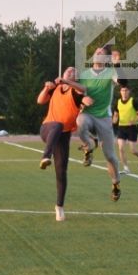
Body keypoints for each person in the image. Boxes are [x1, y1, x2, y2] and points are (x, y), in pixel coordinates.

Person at [36, 67, 91, 221]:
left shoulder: (76, 91)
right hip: (47, 129)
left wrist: (67, 82)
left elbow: (84, 90)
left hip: (63, 136)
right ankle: (45, 156)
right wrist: (47, 87)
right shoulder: (56, 88)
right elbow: (40, 100)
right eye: (68, 70)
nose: (70, 72)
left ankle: (59, 206)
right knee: (57, 125)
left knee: (61, 171)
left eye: (73, 72)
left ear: (75, 77)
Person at [75, 46, 123, 201]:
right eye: (96, 52)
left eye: (101, 53)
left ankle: (115, 184)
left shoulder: (110, 72)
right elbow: (77, 94)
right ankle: (89, 147)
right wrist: (82, 99)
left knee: (110, 156)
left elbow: (122, 81)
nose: (98, 53)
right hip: (88, 114)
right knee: (80, 122)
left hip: (104, 118)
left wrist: (117, 64)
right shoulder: (84, 74)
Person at [112, 83, 138, 174]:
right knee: (121, 148)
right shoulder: (118, 102)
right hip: (121, 128)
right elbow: (115, 115)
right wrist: (113, 121)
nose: (124, 92)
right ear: (120, 92)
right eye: (122, 90)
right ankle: (126, 168)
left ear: (129, 92)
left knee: (133, 150)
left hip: (132, 128)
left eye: (126, 90)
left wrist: (134, 121)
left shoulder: (133, 101)